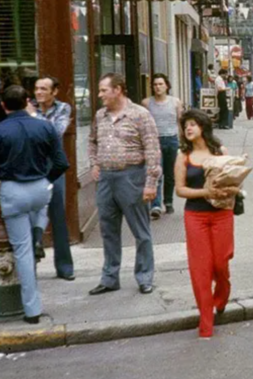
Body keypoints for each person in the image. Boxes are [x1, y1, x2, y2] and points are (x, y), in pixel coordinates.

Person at [0, 85, 69, 323]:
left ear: (3, 105)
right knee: (40, 205)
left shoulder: (1, 130)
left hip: (12, 190)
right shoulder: (45, 126)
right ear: (27, 101)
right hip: (40, 186)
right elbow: (61, 163)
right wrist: (46, 180)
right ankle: (38, 231)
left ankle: (32, 310)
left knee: (22, 251)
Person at [88, 73, 161, 296]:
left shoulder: (140, 115)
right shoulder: (100, 116)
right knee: (108, 230)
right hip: (106, 180)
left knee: (140, 230)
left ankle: (144, 276)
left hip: (132, 177)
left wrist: (151, 183)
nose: (100, 95)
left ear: (117, 89)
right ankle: (110, 277)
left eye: (103, 90)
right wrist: (93, 164)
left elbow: (152, 150)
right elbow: (92, 141)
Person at [174, 109, 238, 339]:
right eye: (185, 126)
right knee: (200, 269)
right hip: (196, 216)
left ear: (203, 126)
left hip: (222, 214)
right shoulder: (183, 156)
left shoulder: (220, 152)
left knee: (221, 263)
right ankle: (206, 323)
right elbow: (180, 189)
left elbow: (232, 180)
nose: (188, 129)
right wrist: (205, 191)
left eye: (192, 124)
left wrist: (231, 188)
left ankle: (220, 297)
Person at [32, 75, 75, 280]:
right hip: (31, 164)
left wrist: (33, 120)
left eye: (43, 89)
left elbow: (57, 132)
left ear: (54, 92)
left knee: (58, 215)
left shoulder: (63, 108)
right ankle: (30, 266)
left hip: (53, 165)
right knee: (31, 216)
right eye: (36, 88)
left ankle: (65, 267)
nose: (38, 92)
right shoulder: (28, 107)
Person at [143, 73, 183, 219]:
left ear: (167, 86)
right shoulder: (147, 103)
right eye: (155, 84)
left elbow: (180, 122)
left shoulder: (175, 102)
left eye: (161, 84)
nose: (158, 87)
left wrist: (183, 142)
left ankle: (169, 201)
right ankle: (156, 205)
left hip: (172, 140)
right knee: (156, 173)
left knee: (170, 174)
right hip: (155, 142)